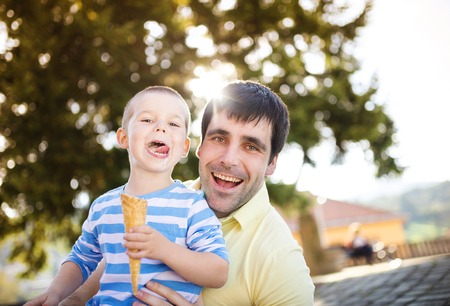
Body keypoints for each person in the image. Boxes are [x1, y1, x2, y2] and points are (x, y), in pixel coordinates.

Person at [61, 80, 315, 306]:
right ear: (199, 147)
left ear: (271, 163)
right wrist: (75, 297)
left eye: (251, 146)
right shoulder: (165, 197)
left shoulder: (281, 260)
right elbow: (114, 253)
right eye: (219, 138)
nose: (229, 159)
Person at [25, 86, 229, 305]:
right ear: (123, 137)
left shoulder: (192, 205)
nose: (161, 128)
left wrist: (165, 250)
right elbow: (81, 260)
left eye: (173, 124)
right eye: (148, 120)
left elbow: (218, 271)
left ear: (184, 147)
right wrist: (55, 293)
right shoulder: (103, 207)